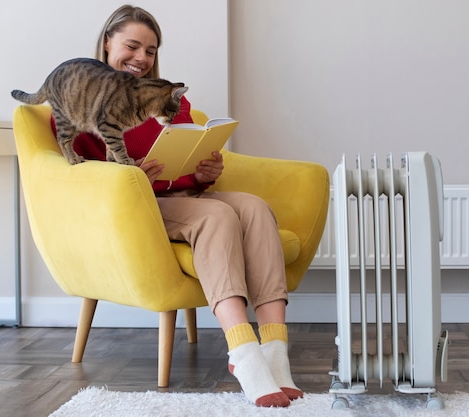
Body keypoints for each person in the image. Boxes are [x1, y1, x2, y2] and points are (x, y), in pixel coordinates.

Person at [71, 4, 301, 408]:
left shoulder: (168, 99)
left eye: (151, 50)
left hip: (183, 198)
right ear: (107, 42)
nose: (141, 58)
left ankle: (275, 351)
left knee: (254, 207)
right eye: (132, 46)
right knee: (216, 215)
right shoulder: (82, 97)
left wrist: (205, 171)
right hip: (136, 209)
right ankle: (243, 352)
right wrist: (128, 174)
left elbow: (189, 167)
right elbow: (76, 175)